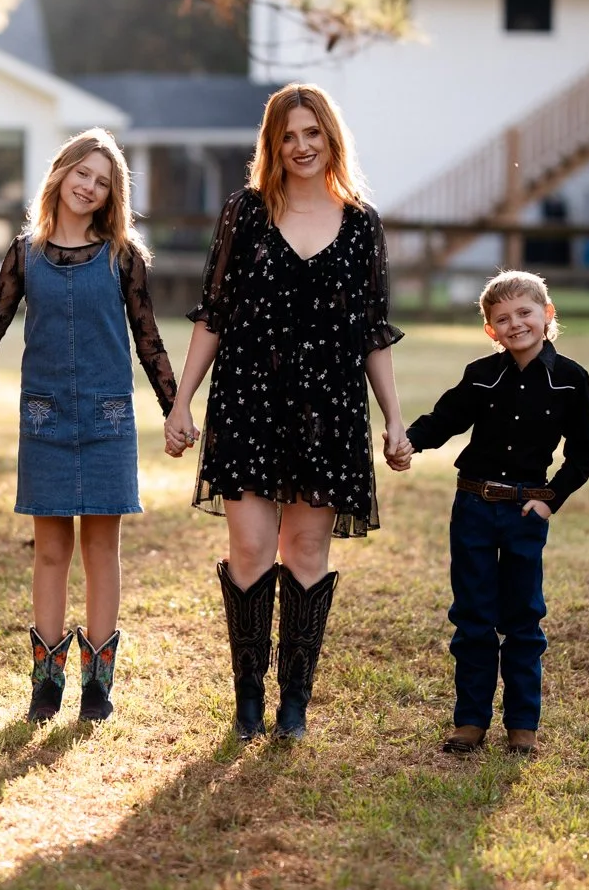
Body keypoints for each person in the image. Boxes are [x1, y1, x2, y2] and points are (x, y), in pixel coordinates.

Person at [164, 84, 410, 743]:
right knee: (248, 546)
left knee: (306, 548)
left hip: (328, 411)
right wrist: (181, 400)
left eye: (312, 134)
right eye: (287, 135)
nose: (300, 146)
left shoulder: (361, 224)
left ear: (331, 139)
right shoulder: (245, 213)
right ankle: (248, 703)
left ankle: (292, 707)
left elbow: (371, 333)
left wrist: (392, 419)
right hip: (247, 402)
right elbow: (213, 314)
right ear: (271, 145)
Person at [0, 130, 178, 724]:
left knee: (101, 549)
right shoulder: (25, 253)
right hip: (45, 419)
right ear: (61, 173)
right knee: (50, 551)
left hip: (108, 417)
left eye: (103, 181)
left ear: (112, 194)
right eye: (82, 174)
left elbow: (149, 341)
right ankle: (47, 684)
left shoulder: (125, 258)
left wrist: (178, 408)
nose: (89, 187)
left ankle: (99, 685)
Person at [405, 270, 589, 760]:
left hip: (524, 512)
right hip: (472, 505)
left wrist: (551, 497)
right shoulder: (481, 374)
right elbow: (445, 419)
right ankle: (470, 721)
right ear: (491, 330)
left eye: (526, 313)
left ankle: (522, 725)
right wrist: (408, 441)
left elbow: (583, 454)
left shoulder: (571, 380)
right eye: (503, 319)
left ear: (547, 315)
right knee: (472, 615)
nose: (516, 325)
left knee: (523, 618)